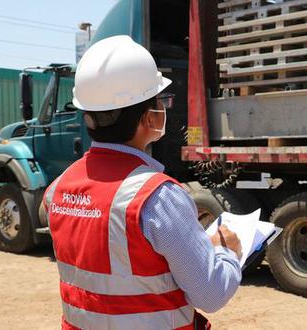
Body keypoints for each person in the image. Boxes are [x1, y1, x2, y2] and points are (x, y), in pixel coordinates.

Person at [43, 35, 242, 330]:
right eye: (161, 101)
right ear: (148, 118)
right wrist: (227, 252)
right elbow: (210, 294)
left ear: (88, 117)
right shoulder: (158, 198)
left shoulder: (57, 189)